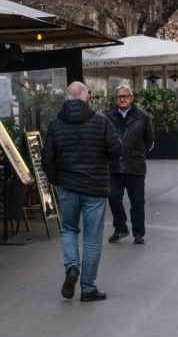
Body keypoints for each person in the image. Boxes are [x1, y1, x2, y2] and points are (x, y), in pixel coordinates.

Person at [40, 81, 120, 302]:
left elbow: (47, 158)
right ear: (87, 97)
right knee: (92, 239)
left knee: (68, 229)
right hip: (95, 188)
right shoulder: (101, 123)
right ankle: (88, 288)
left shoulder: (56, 124)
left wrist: (57, 178)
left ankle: (72, 267)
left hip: (68, 186)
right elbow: (116, 150)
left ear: (68, 98)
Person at [107, 84, 153, 245]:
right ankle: (120, 228)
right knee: (113, 198)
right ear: (116, 99)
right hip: (114, 167)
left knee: (137, 201)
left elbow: (149, 141)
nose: (123, 99)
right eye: (120, 96)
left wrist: (138, 154)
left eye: (126, 96)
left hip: (135, 166)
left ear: (132, 98)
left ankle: (138, 233)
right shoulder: (108, 117)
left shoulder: (143, 117)